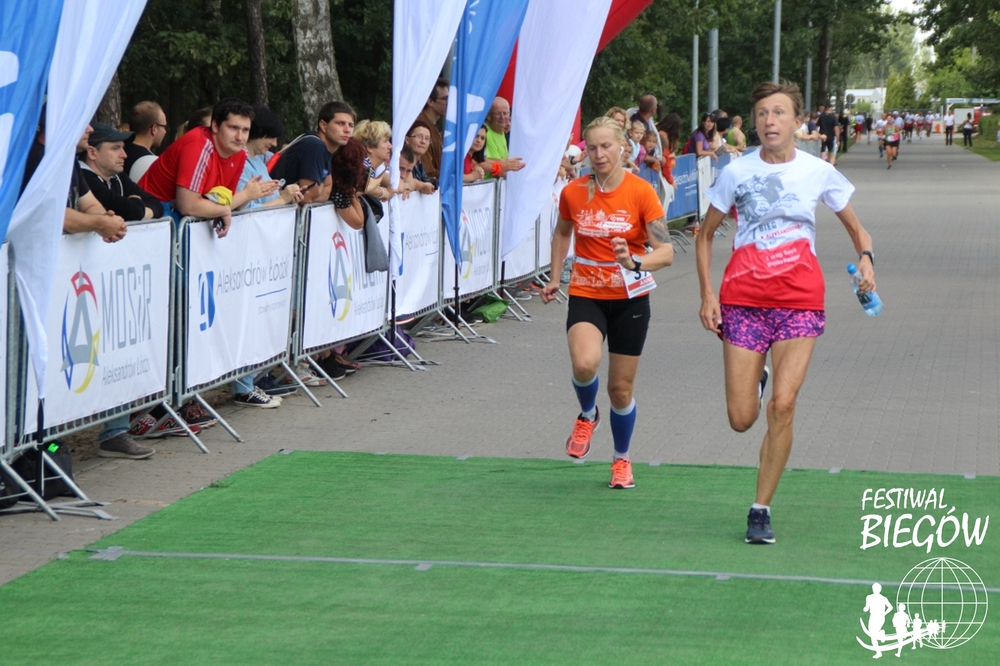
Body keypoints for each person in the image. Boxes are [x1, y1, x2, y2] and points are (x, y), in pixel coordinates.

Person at [696, 80, 876, 545]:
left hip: (799, 299)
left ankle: (761, 508)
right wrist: (708, 295)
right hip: (743, 301)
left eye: (778, 113)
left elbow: (859, 231)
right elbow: (704, 235)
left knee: (785, 404)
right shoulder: (737, 172)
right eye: (761, 113)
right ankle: (756, 379)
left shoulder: (818, 171)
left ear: (797, 122)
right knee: (741, 419)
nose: (769, 120)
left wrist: (867, 261)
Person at [541, 116, 674, 490]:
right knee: (584, 364)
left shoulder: (641, 192)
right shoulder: (573, 192)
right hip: (587, 292)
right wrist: (554, 277)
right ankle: (587, 414)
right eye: (593, 148)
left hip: (630, 298)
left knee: (620, 390)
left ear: (623, 148)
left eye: (607, 146)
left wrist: (634, 261)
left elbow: (665, 252)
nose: (599, 154)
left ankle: (621, 458)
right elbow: (562, 233)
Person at [270, 100, 356, 204]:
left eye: (351, 125)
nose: (347, 130)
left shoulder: (323, 148)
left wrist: (318, 190)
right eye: (341, 123)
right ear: (323, 125)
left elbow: (327, 191)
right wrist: (318, 190)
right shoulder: (315, 146)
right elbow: (307, 198)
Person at [80, 123, 164, 222]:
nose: (124, 155)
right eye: (115, 148)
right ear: (92, 153)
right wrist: (137, 203)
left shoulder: (117, 176)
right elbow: (131, 212)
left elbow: (156, 204)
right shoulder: (83, 177)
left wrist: (139, 211)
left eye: (122, 148)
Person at [239, 106, 304, 210]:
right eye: (271, 137)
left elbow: (265, 199)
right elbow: (244, 211)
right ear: (258, 132)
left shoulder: (258, 161)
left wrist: (288, 195)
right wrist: (282, 199)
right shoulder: (240, 163)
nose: (274, 143)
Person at [124, 101, 168, 182]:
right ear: (154, 129)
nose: (165, 132)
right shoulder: (152, 163)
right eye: (164, 127)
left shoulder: (118, 152)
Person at [483, 97, 525, 177]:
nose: (502, 117)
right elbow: (498, 171)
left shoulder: (500, 131)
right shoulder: (486, 135)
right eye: (497, 113)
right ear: (489, 116)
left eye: (505, 113)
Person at [354, 119, 395, 201]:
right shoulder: (362, 166)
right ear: (369, 147)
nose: (390, 146)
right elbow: (357, 190)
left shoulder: (367, 166)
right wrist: (382, 192)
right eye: (385, 141)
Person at [416, 77, 448, 179]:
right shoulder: (419, 127)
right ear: (430, 101)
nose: (449, 102)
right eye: (445, 99)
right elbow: (427, 171)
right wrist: (452, 176)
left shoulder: (433, 127)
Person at [404, 121, 438, 194]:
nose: (423, 141)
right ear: (407, 140)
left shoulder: (419, 162)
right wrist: (423, 186)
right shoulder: (401, 159)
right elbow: (407, 182)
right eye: (419, 136)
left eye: (427, 138)